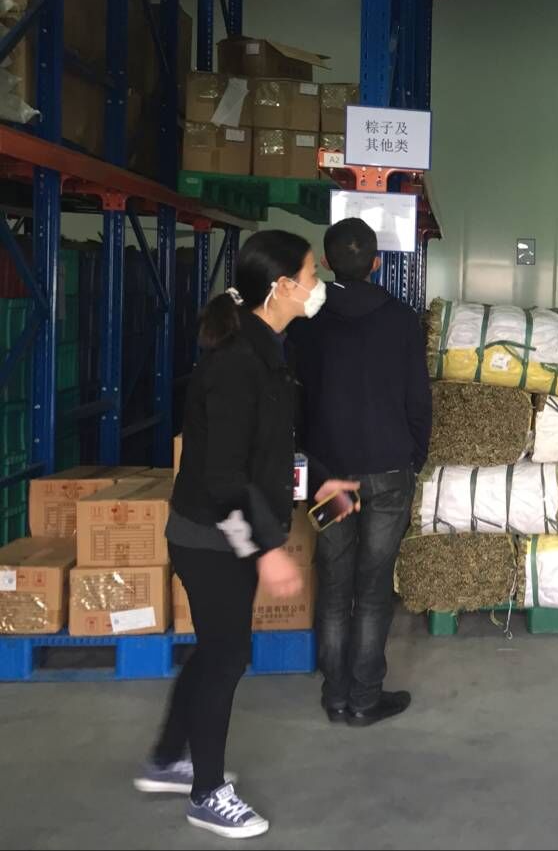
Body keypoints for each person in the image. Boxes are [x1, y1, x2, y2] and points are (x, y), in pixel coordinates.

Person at [135, 231, 359, 840]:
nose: (316, 287)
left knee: (215, 650)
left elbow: (271, 448)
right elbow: (223, 479)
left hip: (222, 532)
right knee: (228, 655)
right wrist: (264, 551)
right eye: (310, 276)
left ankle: (167, 760)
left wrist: (319, 483)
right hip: (209, 537)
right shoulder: (236, 364)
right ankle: (207, 793)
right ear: (281, 287)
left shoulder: (268, 352)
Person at [289, 218, 431, 727]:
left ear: (327, 263)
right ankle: (365, 698)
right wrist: (415, 456)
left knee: (334, 583)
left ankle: (335, 695)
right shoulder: (401, 318)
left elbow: (295, 397)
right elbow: (418, 398)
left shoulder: (307, 319)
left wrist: (307, 457)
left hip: (330, 474)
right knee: (372, 588)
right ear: (376, 262)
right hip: (389, 470)